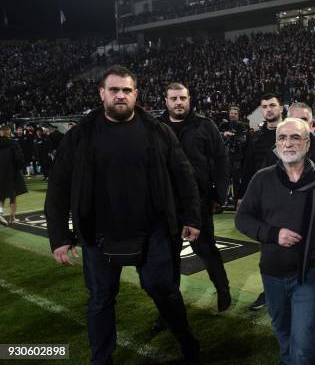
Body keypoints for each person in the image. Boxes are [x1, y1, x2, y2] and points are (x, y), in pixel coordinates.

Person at [45, 66, 203, 364]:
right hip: (98, 235)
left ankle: (189, 344)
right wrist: (59, 237)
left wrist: (192, 218)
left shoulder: (158, 131)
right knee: (101, 301)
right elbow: (58, 188)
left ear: (136, 95)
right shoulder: (80, 135)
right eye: (114, 90)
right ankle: (101, 360)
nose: (121, 95)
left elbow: (184, 176)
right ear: (102, 93)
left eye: (126, 90)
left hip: (153, 231)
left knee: (164, 291)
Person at [235, 118, 315, 365]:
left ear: (308, 143)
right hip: (271, 274)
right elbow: (242, 219)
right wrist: (272, 234)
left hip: (309, 276)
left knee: (303, 343)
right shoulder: (262, 179)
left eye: (295, 138)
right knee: (283, 332)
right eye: (282, 138)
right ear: (276, 144)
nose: (288, 143)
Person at [263, 102, 315, 349]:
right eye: (292, 120)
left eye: (303, 121)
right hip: (285, 238)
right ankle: (292, 337)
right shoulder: (275, 153)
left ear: (310, 125)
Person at [160, 82, 231, 312]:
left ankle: (223, 290)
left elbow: (221, 161)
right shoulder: (156, 127)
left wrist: (218, 196)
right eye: (174, 99)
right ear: (166, 101)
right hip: (166, 204)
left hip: (198, 201)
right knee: (169, 256)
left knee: (206, 249)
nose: (178, 102)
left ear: (189, 99)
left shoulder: (205, 125)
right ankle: (171, 306)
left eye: (182, 98)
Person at [238, 93, 284, 311]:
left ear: (281, 107)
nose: (268, 110)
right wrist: (242, 196)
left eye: (272, 105)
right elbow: (248, 168)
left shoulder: (290, 132)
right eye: (264, 106)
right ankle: (270, 291)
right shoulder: (255, 137)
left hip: (292, 199)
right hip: (265, 202)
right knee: (267, 250)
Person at [218, 106, 249, 206]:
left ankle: (236, 201)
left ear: (238, 115)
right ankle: (223, 200)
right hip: (224, 157)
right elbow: (217, 137)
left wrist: (231, 136)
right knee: (224, 179)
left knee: (236, 180)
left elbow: (243, 140)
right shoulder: (223, 125)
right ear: (229, 114)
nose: (233, 115)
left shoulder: (242, 126)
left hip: (237, 157)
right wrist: (223, 134)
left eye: (235, 113)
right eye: (231, 113)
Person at [0, 125, 27, 226]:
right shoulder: (13, 143)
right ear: (9, 132)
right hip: (12, 173)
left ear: (1, 133)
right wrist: (22, 168)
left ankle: (0, 212)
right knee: (13, 195)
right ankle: (12, 218)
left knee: (1, 195)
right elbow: (19, 158)